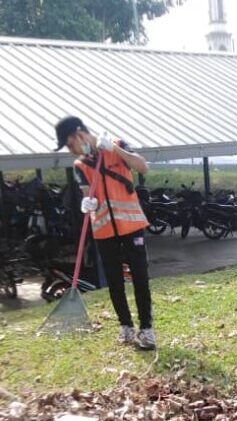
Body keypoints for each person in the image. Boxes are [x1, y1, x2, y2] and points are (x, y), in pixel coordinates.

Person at [54, 116, 156, 349]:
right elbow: (86, 193)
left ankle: (147, 330)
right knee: (114, 281)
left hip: (132, 227)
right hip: (103, 230)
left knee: (140, 277)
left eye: (70, 144)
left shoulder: (116, 144)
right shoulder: (80, 166)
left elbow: (143, 167)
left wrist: (116, 150)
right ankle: (126, 327)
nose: (71, 151)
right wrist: (88, 203)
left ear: (80, 134)